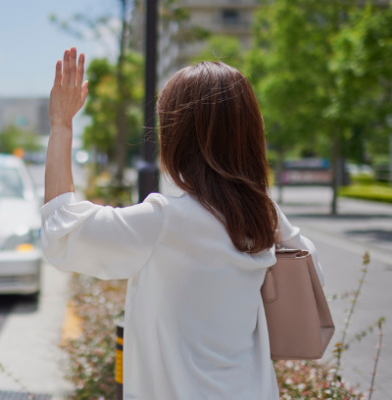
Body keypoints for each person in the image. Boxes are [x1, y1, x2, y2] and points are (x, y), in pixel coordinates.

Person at [41, 48, 324, 399]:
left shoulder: (165, 221)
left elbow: (62, 232)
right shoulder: (264, 216)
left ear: (178, 138)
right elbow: (309, 272)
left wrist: (61, 124)